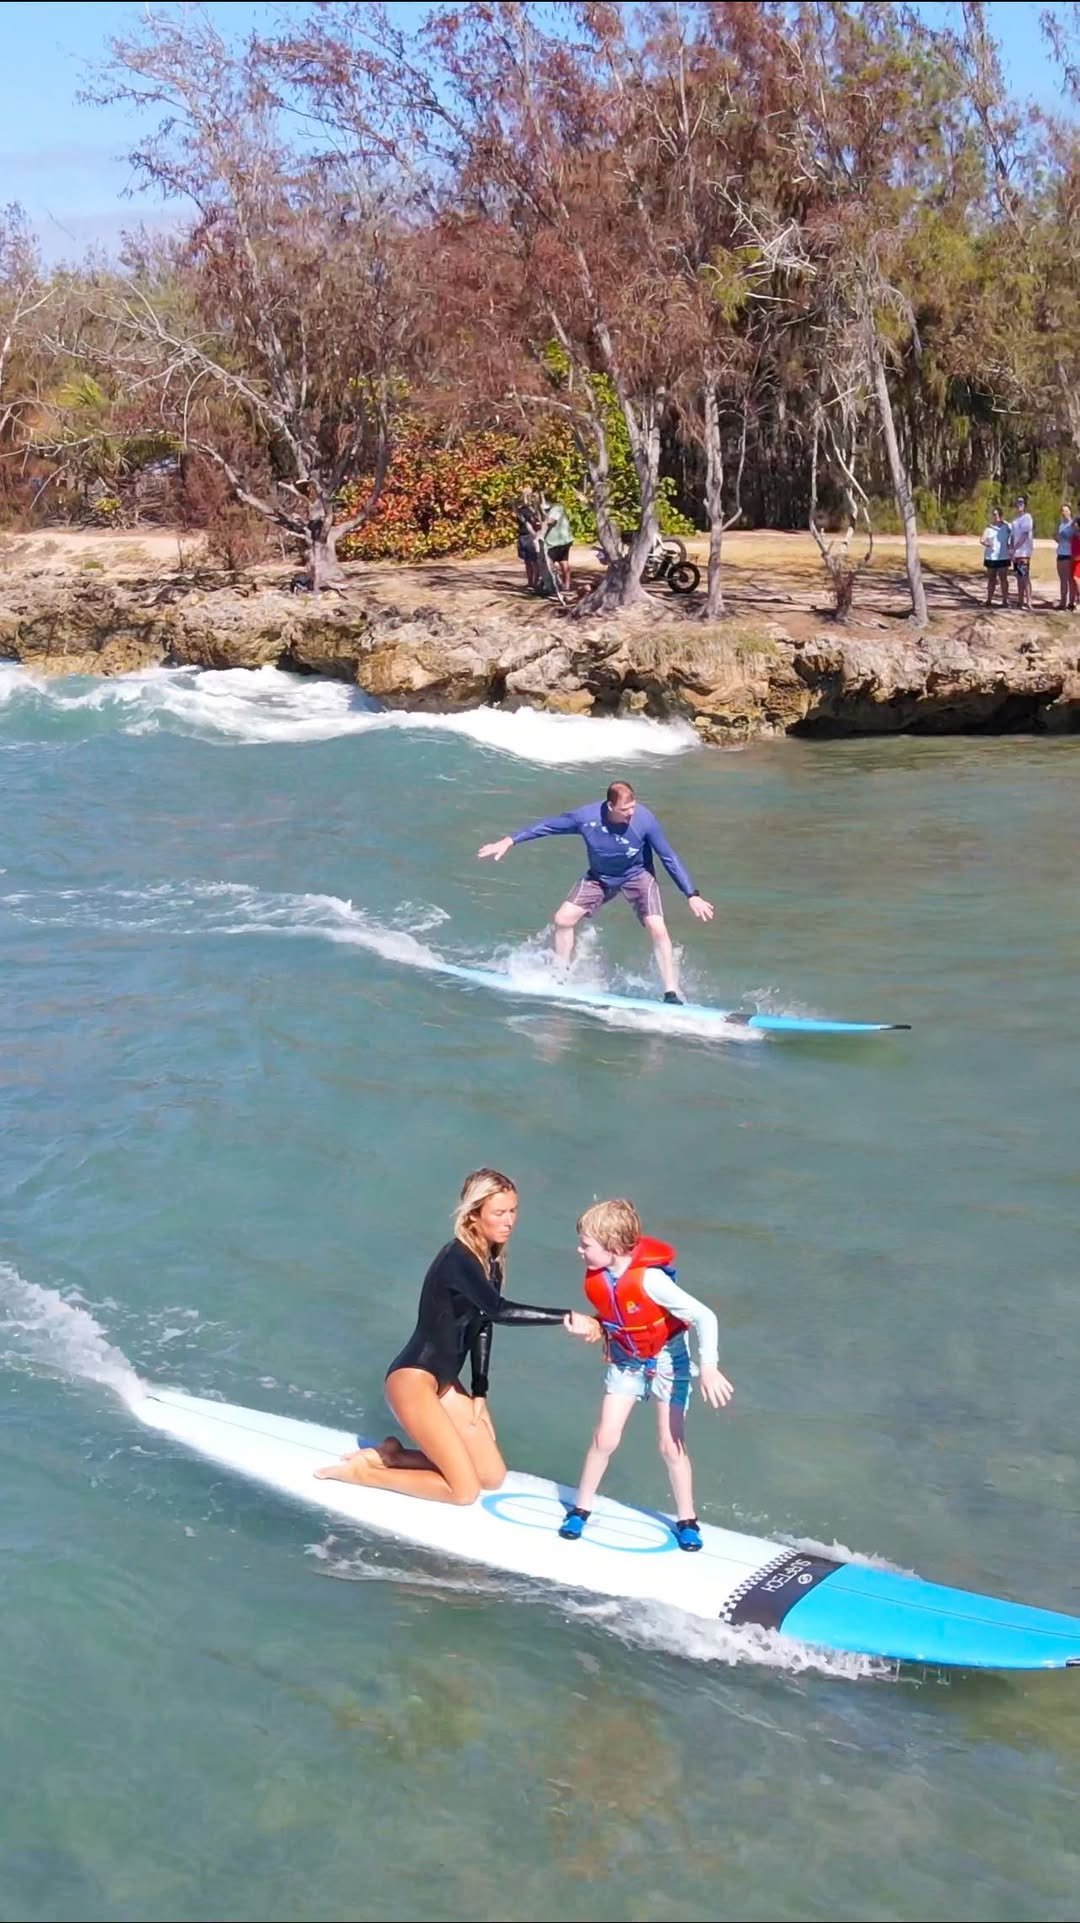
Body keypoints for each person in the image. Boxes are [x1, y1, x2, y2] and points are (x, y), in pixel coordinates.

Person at [315, 1168, 594, 1503]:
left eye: (513, 1210)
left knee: (491, 1476)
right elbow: (498, 1310)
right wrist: (566, 1316)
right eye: (499, 1213)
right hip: (413, 1381)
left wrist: (479, 1393)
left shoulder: (490, 1260)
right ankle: (364, 1473)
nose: (509, 1221)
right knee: (464, 1492)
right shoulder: (458, 1259)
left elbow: (483, 1324)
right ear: (474, 1215)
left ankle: (394, 1455)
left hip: (444, 1383)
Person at [557, 1199, 734, 1552]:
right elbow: (616, 1316)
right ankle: (581, 1509)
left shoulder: (651, 1280)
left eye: (585, 1245)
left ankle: (687, 1520)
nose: (579, 1250)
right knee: (605, 1438)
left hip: (669, 1360)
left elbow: (705, 1316)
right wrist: (593, 1325)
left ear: (611, 1247)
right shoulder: (601, 1276)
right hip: (627, 1360)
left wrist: (709, 1367)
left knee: (671, 1445)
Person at [477, 778, 714, 1004]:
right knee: (563, 918)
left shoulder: (645, 820)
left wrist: (691, 894)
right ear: (610, 806)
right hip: (600, 877)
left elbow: (668, 857)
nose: (631, 813)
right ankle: (560, 976)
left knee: (657, 927)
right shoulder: (586, 818)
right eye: (625, 809)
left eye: (633, 806)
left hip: (638, 876)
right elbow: (548, 826)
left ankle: (671, 992)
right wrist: (509, 840)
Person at [539, 495, 574, 596]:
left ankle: (555, 585)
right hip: (562, 540)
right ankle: (564, 585)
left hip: (557, 542)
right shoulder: (556, 507)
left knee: (551, 563)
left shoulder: (556, 508)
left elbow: (552, 520)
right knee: (563, 562)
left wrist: (543, 523)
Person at [981, 506, 1011, 607]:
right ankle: (989, 600)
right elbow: (982, 540)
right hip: (991, 557)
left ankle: (1005, 600)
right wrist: (987, 544)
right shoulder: (989, 528)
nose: (996, 516)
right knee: (991, 579)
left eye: (998, 514)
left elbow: (1014, 534)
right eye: (994, 514)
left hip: (1003, 556)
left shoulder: (1006, 527)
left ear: (1001, 515)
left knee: (1003, 578)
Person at [1009, 494, 1034, 611]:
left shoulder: (1027, 518)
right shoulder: (1014, 521)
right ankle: (1020, 601)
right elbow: (1012, 536)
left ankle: (1029, 601)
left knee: (1025, 576)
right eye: (1018, 503)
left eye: (1022, 503)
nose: (1019, 505)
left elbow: (1025, 535)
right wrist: (1011, 549)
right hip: (1016, 553)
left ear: (1025, 505)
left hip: (1024, 552)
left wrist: (1015, 548)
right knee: (1019, 577)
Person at [515, 491, 542, 593]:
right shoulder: (521, 511)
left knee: (534, 561)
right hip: (522, 536)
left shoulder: (535, 510)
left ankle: (535, 582)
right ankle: (530, 582)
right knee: (527, 561)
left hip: (531, 536)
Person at [1056, 502, 1075, 610]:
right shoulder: (1061, 525)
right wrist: (1057, 538)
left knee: (1070, 580)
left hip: (1069, 555)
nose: (1064, 513)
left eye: (1066, 510)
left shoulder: (1073, 525)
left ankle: (1071, 602)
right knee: (1062, 580)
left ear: (1070, 512)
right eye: (1063, 511)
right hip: (1060, 553)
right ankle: (1062, 602)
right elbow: (1060, 540)